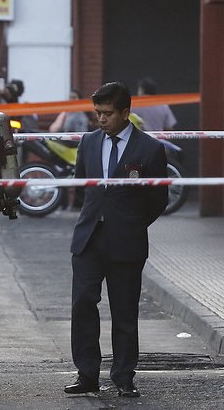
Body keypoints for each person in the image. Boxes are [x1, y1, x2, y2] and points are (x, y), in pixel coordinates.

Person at [64, 81, 168, 399]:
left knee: (124, 312)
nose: (101, 119)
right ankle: (87, 374)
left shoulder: (150, 149)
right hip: (89, 239)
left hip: (126, 242)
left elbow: (158, 199)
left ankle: (123, 376)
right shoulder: (89, 142)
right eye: (98, 113)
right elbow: (86, 185)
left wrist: (131, 224)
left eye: (108, 113)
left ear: (125, 112)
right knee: (83, 304)